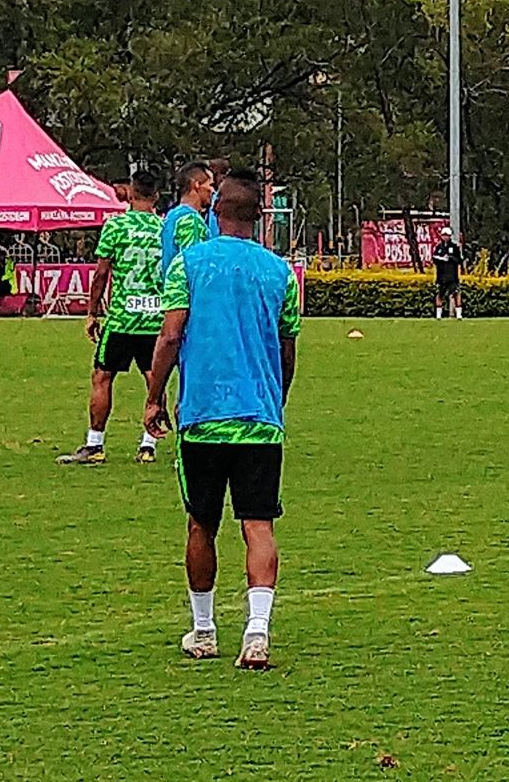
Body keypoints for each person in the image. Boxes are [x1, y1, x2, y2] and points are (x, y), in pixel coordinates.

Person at [143, 168, 301, 670]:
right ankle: (257, 633)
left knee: (201, 524)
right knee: (259, 525)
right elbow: (287, 348)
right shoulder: (280, 273)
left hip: (203, 418)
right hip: (259, 418)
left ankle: (205, 630)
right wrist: (277, 398)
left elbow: (169, 337)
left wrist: (153, 397)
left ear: (215, 213)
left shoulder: (190, 265)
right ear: (260, 218)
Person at [58, 170, 166, 466]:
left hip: (122, 319)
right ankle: (148, 445)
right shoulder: (164, 228)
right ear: (156, 196)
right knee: (154, 380)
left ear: (131, 194)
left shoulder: (116, 225)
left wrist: (93, 312)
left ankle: (95, 445)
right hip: (155, 318)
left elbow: (102, 273)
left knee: (102, 376)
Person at [161, 161, 214, 282]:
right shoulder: (191, 220)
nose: (212, 191)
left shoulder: (171, 216)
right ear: (196, 185)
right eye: (210, 185)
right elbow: (193, 266)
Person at [432, 227, 463, 319]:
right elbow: (434, 259)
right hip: (441, 275)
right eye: (443, 235)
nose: (445, 237)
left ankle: (458, 314)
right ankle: (438, 314)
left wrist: (450, 258)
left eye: (447, 235)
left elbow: (459, 260)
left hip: (452, 275)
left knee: (456, 293)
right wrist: (441, 259)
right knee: (440, 294)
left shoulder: (454, 247)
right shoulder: (438, 247)